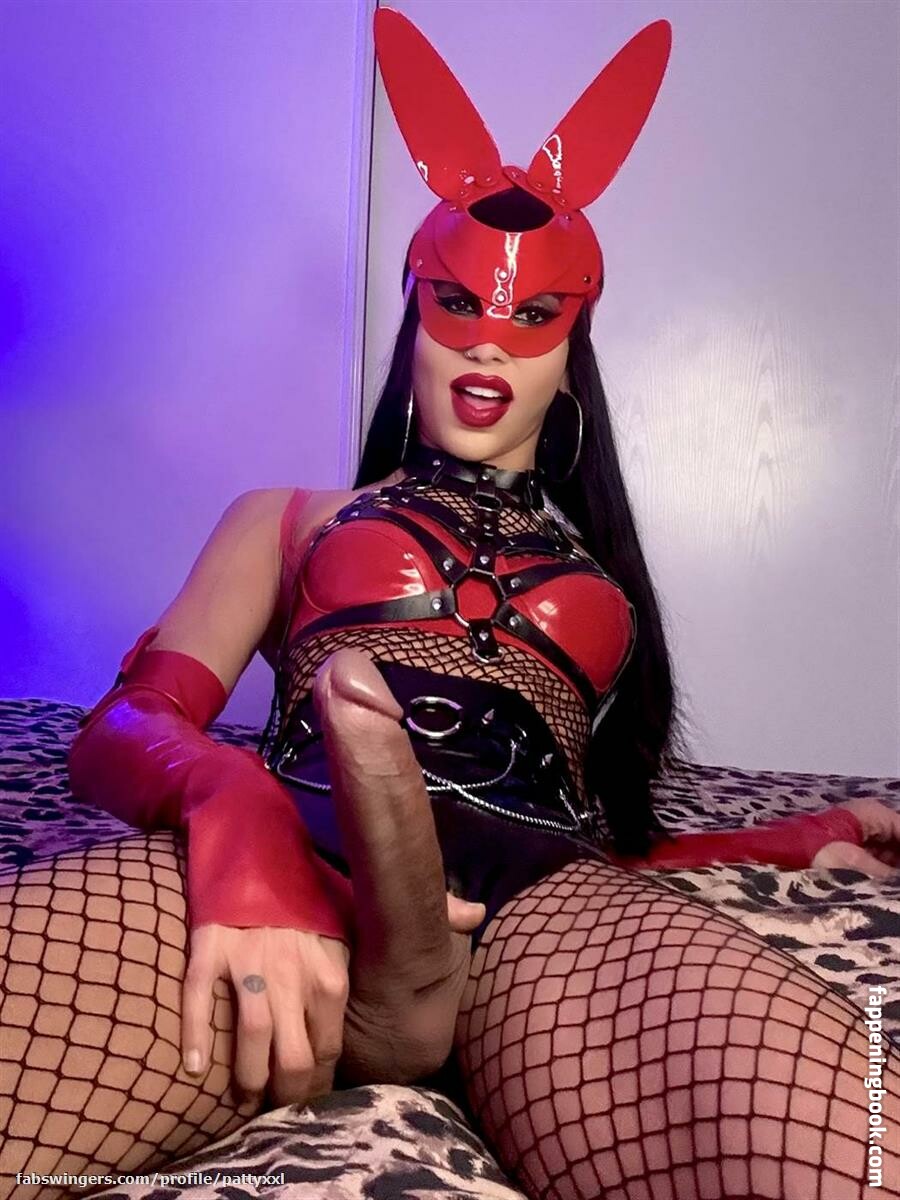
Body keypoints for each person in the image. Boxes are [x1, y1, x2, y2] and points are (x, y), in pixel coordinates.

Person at [4, 9, 899, 1199]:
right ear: (415, 318)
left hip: (529, 906)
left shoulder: (609, 594)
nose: (490, 345)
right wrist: (237, 813)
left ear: (574, 350)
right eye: (457, 304)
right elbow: (121, 731)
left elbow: (605, 836)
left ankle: (422, 983)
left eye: (533, 318)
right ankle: (384, 976)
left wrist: (772, 841)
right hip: (295, 867)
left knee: (850, 1149)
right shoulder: (287, 518)